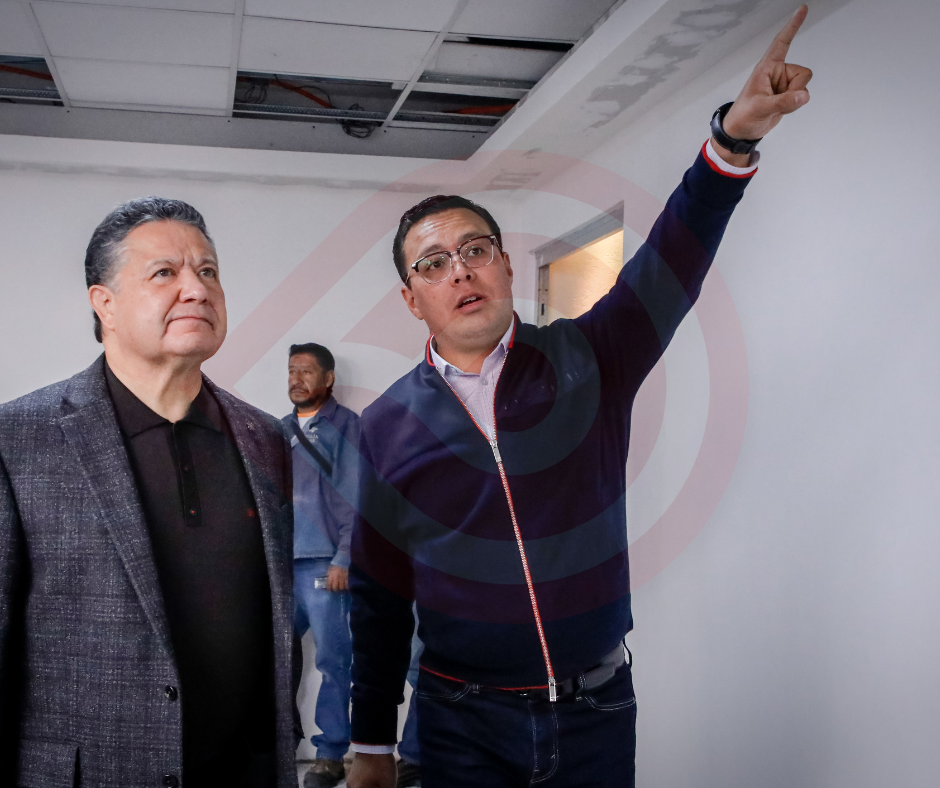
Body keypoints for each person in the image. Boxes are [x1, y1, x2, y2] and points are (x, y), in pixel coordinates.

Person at [345, 8, 813, 788]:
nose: (459, 270)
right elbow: (378, 593)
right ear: (411, 299)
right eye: (433, 263)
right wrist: (369, 744)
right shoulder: (385, 424)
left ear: (504, 266)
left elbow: (671, 259)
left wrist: (730, 143)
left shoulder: (589, 357)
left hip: (595, 708)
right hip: (459, 720)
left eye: (475, 249)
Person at [0, 198, 298, 787]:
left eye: (208, 271)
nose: (196, 289)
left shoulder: (262, 436)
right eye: (165, 273)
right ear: (104, 303)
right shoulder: (19, 439)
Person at [284, 344, 360, 788]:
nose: (297, 379)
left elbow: (356, 496)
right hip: (280, 567)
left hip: (323, 566)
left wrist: (344, 557)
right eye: (292, 371)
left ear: (328, 378)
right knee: (274, 660)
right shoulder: (278, 430)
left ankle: (330, 754)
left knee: (334, 661)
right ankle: (281, 744)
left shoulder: (347, 427)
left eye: (307, 371)